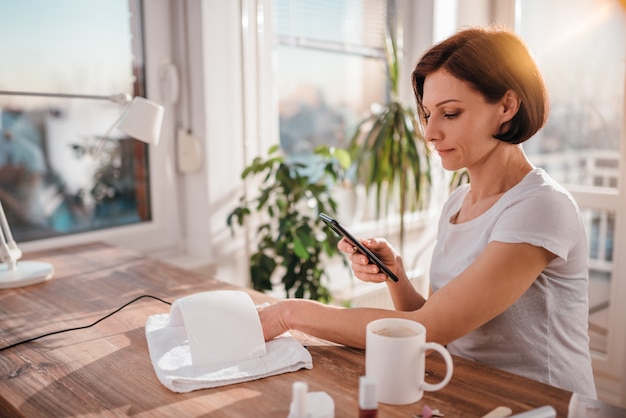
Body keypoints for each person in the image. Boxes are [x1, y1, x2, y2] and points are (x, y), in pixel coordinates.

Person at [258, 26, 597, 398]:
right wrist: (396, 275)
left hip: (543, 402)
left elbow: (430, 327)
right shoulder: (457, 203)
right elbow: (434, 325)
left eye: (450, 113)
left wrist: (287, 313)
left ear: (506, 106)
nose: (430, 132)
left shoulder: (541, 206)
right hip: (470, 391)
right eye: (427, 114)